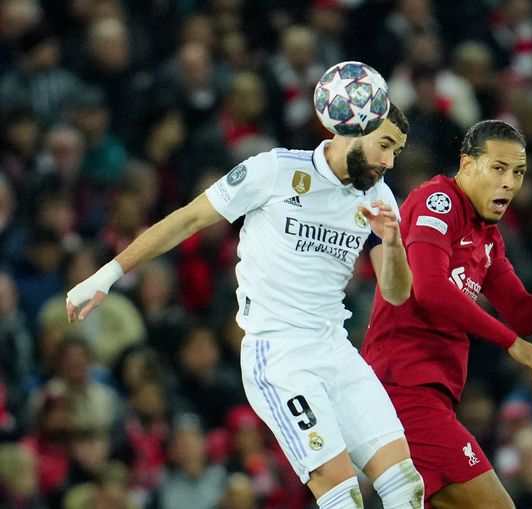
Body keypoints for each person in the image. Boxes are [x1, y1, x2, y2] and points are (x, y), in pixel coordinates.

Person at [65, 102, 426, 509]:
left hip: (337, 350)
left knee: (406, 486)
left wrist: (393, 244)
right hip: (279, 356)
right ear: (353, 130)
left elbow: (396, 293)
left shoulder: (379, 199)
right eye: (386, 145)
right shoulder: (276, 171)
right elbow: (188, 219)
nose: (390, 161)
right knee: (344, 497)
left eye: (397, 151)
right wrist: (108, 274)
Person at [361, 119, 532, 508]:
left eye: (519, 172)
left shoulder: (487, 237)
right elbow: (429, 288)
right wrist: (514, 346)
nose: (510, 182)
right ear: (467, 165)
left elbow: (522, 313)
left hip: (431, 394)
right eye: (499, 168)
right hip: (402, 388)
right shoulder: (437, 202)